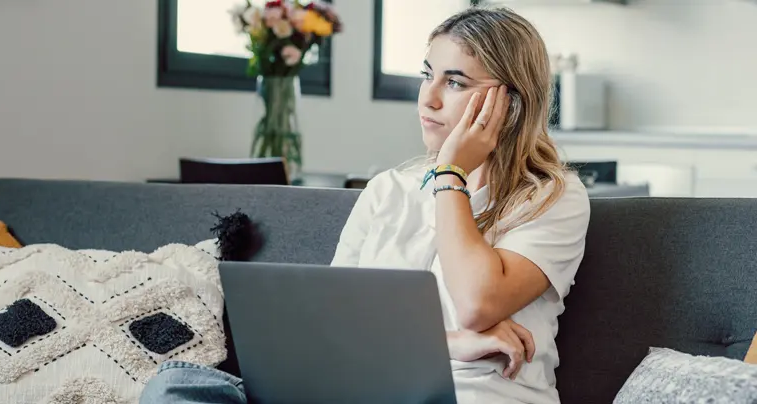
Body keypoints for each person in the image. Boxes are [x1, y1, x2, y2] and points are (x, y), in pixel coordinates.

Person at [139, 5, 590, 404]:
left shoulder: (551, 197)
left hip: (474, 396)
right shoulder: (388, 190)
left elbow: (477, 303)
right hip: (358, 390)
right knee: (175, 388)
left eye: (454, 82)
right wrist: (448, 342)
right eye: (426, 74)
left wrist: (450, 174)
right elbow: (335, 329)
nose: (427, 98)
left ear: (510, 102)